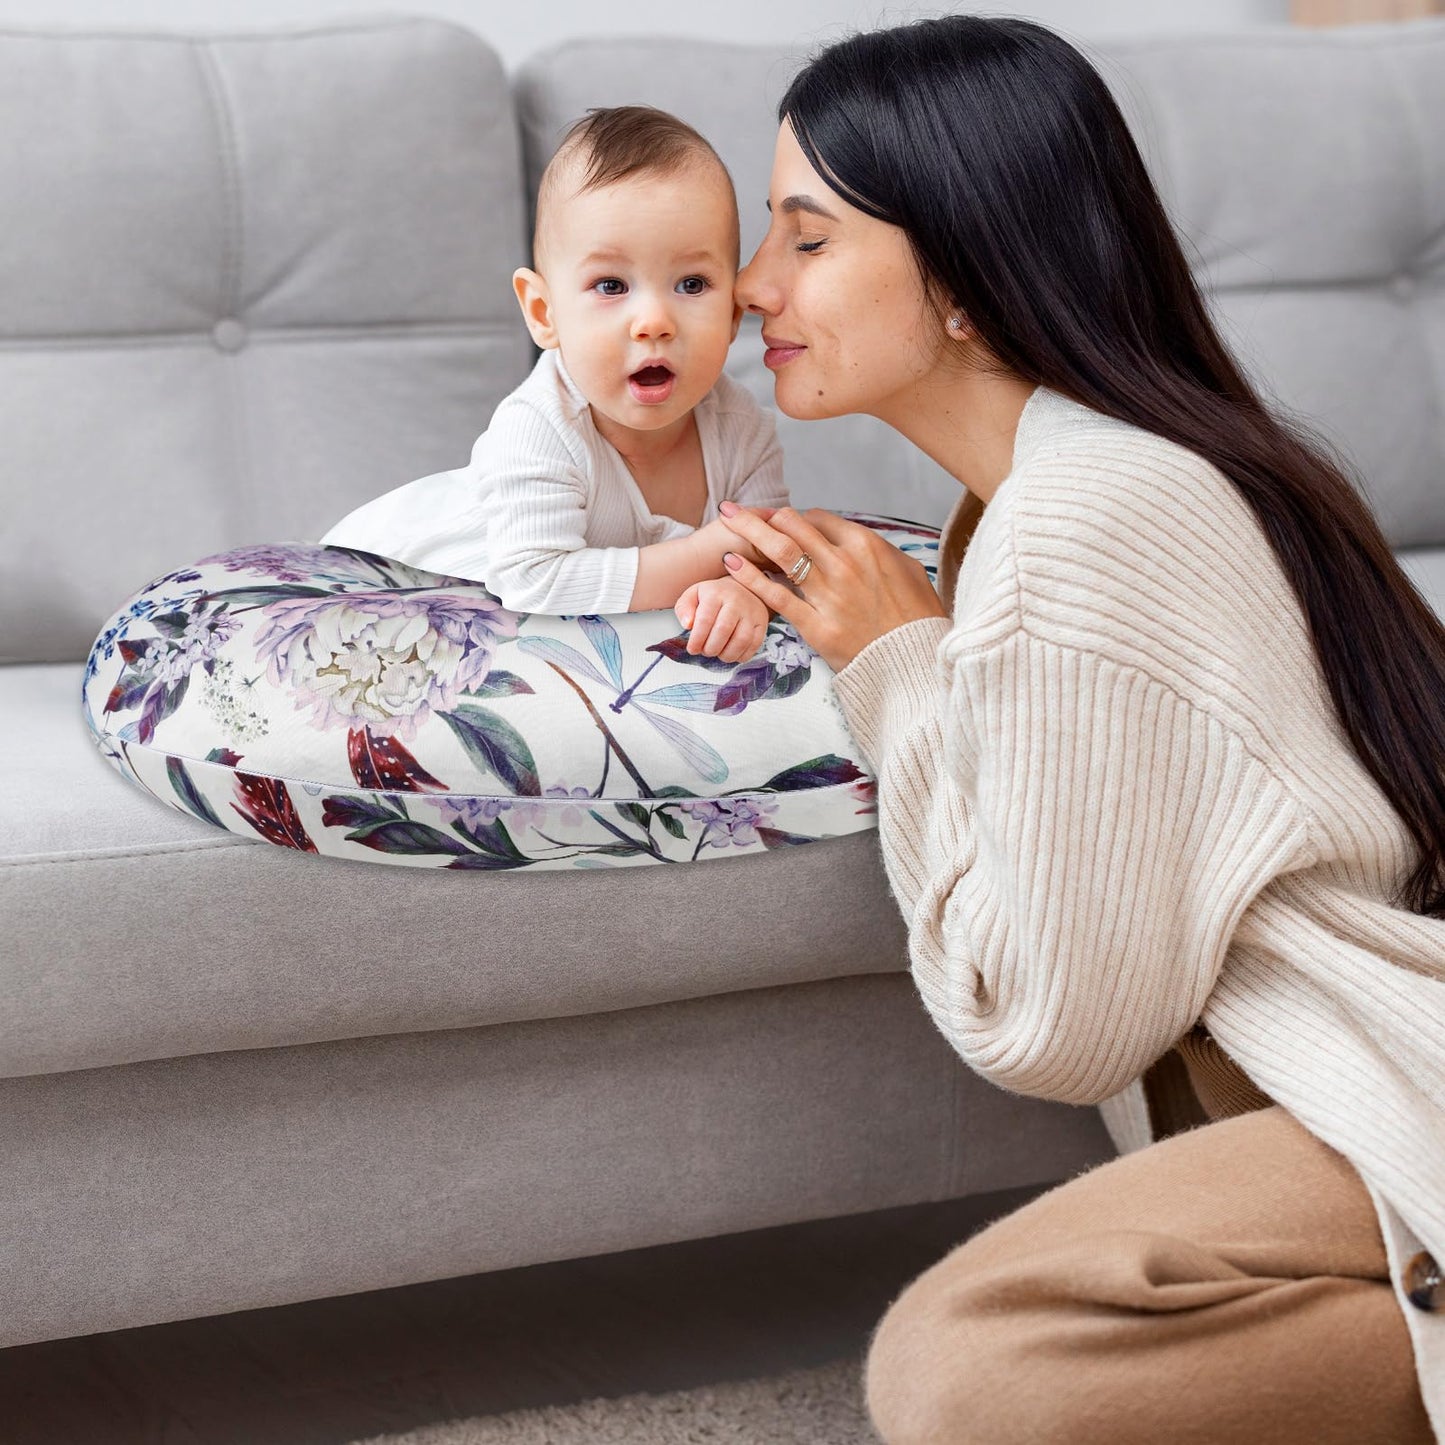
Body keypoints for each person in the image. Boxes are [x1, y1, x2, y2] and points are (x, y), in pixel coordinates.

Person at [718, 16, 1445, 1443]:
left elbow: (1049, 1022)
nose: (751, 287)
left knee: (967, 1374)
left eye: (806, 239)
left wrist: (902, 672)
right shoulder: (1065, 493)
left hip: (1379, 1077)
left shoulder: (1085, 512)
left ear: (969, 277)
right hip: (1336, 1086)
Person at [320, 105, 788, 664]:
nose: (654, 321)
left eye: (692, 283)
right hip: (367, 579)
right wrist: (704, 556)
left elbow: (767, 556)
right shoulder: (539, 425)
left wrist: (738, 593)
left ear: (734, 313)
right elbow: (535, 581)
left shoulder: (744, 430)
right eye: (611, 284)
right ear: (544, 313)